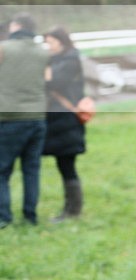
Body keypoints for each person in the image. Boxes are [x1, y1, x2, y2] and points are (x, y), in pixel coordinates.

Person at [0, 13, 50, 228]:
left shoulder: (4, 48)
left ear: (16, 27)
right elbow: (48, 79)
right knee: (32, 170)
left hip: (10, 117)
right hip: (38, 116)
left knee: (2, 170)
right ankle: (30, 216)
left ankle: (4, 216)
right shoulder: (43, 52)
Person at [43, 27, 87, 221]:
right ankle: (70, 209)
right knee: (65, 165)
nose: (48, 46)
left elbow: (56, 83)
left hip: (66, 120)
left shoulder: (70, 60)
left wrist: (43, 71)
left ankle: (72, 210)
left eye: (50, 42)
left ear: (61, 41)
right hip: (59, 121)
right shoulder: (59, 59)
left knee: (67, 165)